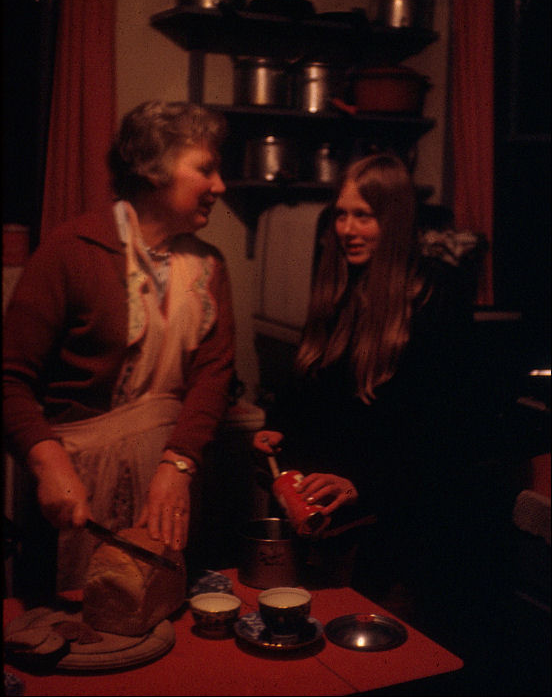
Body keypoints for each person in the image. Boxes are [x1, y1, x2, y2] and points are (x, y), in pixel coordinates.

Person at [253, 152, 499, 630]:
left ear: (394, 220)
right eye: (342, 215)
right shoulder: (338, 286)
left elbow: (450, 435)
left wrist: (363, 484)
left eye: (363, 216)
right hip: (323, 533)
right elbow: (313, 391)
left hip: (393, 539)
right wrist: (277, 428)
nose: (348, 230)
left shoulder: (433, 299)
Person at [3, 100, 236, 592]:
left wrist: (177, 466)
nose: (219, 186)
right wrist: (47, 463)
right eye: (206, 170)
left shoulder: (209, 267)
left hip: (173, 488)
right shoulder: (72, 251)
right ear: (155, 169)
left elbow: (213, 377)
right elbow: (9, 378)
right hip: (79, 491)